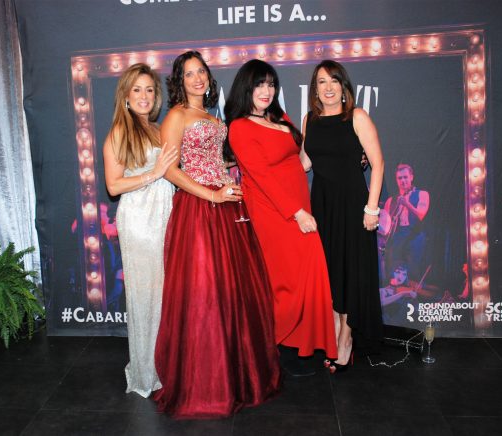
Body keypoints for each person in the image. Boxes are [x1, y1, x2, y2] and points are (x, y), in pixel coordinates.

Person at [153, 51, 281, 419]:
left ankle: (239, 377)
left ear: (209, 77)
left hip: (227, 206)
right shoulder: (176, 116)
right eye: (189, 73)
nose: (197, 78)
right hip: (198, 209)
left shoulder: (213, 117)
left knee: (233, 291)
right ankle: (207, 385)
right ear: (180, 80)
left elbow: (213, 159)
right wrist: (211, 195)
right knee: (204, 293)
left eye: (201, 72)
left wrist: (234, 170)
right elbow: (170, 170)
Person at [225, 59, 338, 376]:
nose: (266, 91)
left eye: (271, 84)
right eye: (259, 84)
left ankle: (302, 345)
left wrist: (342, 154)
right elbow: (262, 177)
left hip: (298, 204)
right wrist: (296, 213)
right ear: (246, 88)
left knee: (305, 274)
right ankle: (277, 344)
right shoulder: (240, 127)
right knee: (286, 281)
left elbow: (301, 160)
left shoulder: (280, 117)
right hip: (274, 211)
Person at [303, 60, 385, 373]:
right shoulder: (309, 120)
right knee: (331, 272)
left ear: (343, 86)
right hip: (322, 206)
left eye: (334, 81)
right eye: (322, 82)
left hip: (353, 205)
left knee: (351, 271)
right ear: (315, 89)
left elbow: (377, 163)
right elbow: (304, 162)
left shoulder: (357, 116)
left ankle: (345, 338)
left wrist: (372, 208)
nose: (328, 88)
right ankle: (337, 331)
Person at [102, 63, 177, 398]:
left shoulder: (158, 129)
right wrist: (154, 173)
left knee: (166, 296)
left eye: (149, 89)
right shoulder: (120, 131)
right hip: (140, 221)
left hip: (165, 215)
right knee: (146, 296)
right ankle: (147, 372)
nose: (144, 96)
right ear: (126, 96)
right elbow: (113, 185)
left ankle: (167, 365)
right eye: (137, 90)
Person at [383, 163, 430, 280]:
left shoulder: (422, 194)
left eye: (405, 177)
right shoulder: (390, 200)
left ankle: (413, 288)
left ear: (411, 177)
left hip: (415, 234)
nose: (403, 181)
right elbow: (386, 223)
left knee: (413, 269)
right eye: (400, 178)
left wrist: (407, 204)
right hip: (398, 235)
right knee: (393, 268)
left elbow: (421, 214)